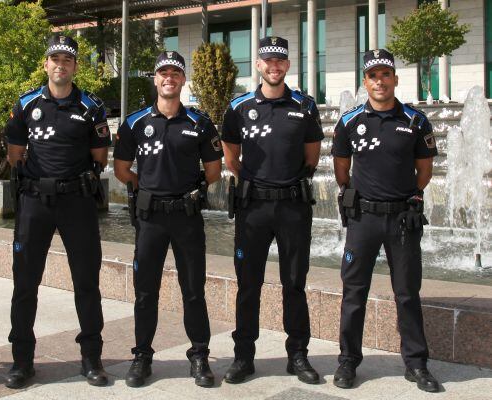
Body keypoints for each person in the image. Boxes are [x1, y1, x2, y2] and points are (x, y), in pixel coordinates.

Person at [3, 35, 111, 388]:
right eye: (55, 59)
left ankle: (91, 357)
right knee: (25, 283)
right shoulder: (25, 105)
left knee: (86, 283)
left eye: (67, 59)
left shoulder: (92, 107)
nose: (61, 65)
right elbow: (15, 154)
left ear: (75, 66)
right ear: (45, 64)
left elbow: (100, 157)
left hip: (77, 202)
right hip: (35, 202)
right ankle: (22, 361)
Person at [331, 48, 440, 393]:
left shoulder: (415, 120)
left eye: (385, 74)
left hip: (402, 220)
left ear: (395, 79)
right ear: (365, 81)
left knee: (407, 293)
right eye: (373, 76)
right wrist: (354, 195)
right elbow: (341, 169)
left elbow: (424, 171)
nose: (380, 81)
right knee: (354, 292)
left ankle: (416, 363)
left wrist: (405, 195)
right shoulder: (349, 121)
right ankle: (348, 361)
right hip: (363, 218)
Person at [113, 50, 223, 388]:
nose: (169, 78)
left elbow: (214, 171)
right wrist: (142, 187)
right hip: (150, 220)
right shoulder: (135, 123)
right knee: (146, 292)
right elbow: (121, 170)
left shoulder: (199, 123)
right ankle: (142, 356)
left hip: (187, 218)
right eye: (163, 72)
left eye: (175, 72)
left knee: (193, 290)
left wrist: (191, 190)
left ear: (182, 79)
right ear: (155, 79)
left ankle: (200, 355)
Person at [220, 36, 324, 385]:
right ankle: (243, 357)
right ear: (259, 65)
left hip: (293, 207)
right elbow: (231, 158)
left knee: (294, 283)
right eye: (268, 61)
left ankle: (298, 356)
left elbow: (312, 157)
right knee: (248, 285)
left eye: (281, 61)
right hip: (253, 208)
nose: (275, 66)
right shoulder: (238, 107)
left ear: (288, 66)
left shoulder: (305, 107)